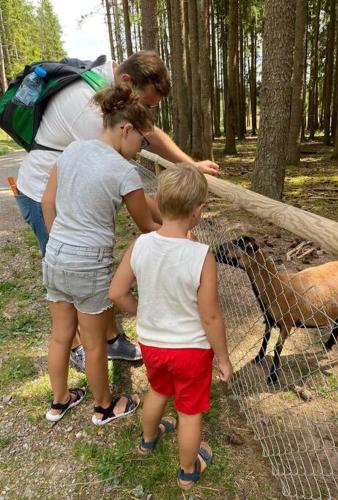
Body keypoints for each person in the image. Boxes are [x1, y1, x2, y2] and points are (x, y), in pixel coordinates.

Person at [16, 51, 220, 370]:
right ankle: (84, 346)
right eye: (147, 105)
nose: (147, 115)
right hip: (46, 196)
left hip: (62, 195)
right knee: (74, 277)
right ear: (126, 82)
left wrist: (189, 165)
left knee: (89, 275)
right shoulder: (90, 111)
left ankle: (108, 339)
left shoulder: (112, 103)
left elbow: (148, 136)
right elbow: (130, 189)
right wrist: (173, 225)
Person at [108, 164, 233, 489]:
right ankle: (187, 471)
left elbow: (116, 292)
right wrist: (223, 358)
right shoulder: (202, 256)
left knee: (158, 391)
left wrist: (143, 311)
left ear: (159, 200)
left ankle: (147, 440)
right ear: (198, 211)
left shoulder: (140, 245)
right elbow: (211, 317)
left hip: (152, 344)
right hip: (191, 351)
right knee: (189, 411)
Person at [41, 83, 159, 424]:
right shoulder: (124, 170)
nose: (140, 149)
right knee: (94, 344)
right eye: (142, 141)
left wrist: (60, 243)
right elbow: (147, 225)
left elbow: (47, 203)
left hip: (56, 256)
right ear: (126, 129)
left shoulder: (73, 151)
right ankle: (103, 406)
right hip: (88, 265)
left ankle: (59, 400)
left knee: (61, 334)